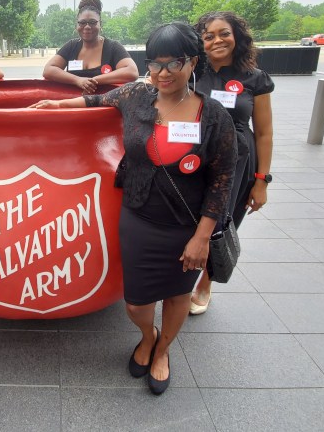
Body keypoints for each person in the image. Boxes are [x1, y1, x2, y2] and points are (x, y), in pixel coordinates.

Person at [30, 22, 237, 395]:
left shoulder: (214, 117)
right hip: (139, 216)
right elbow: (94, 100)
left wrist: (202, 238)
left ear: (192, 62)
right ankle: (147, 333)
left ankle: (162, 351)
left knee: (177, 296)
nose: (161, 73)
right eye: (154, 64)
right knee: (136, 303)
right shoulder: (138, 96)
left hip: (187, 227)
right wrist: (56, 103)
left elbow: (222, 182)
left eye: (172, 63)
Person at [191, 11, 274, 315]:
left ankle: (206, 284)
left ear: (237, 35)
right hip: (198, 154)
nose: (217, 40)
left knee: (222, 221)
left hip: (239, 159)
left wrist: (262, 180)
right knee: (191, 217)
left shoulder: (255, 78)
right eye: (208, 35)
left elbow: (264, 133)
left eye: (223, 33)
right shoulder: (193, 72)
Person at [42, 0, 139, 94]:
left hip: (104, 106)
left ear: (100, 24)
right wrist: (78, 80)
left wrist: (94, 80)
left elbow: (132, 72)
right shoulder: (71, 46)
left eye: (92, 22)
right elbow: (48, 70)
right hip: (72, 104)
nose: (87, 26)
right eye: (82, 22)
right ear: (77, 25)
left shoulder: (112, 47)